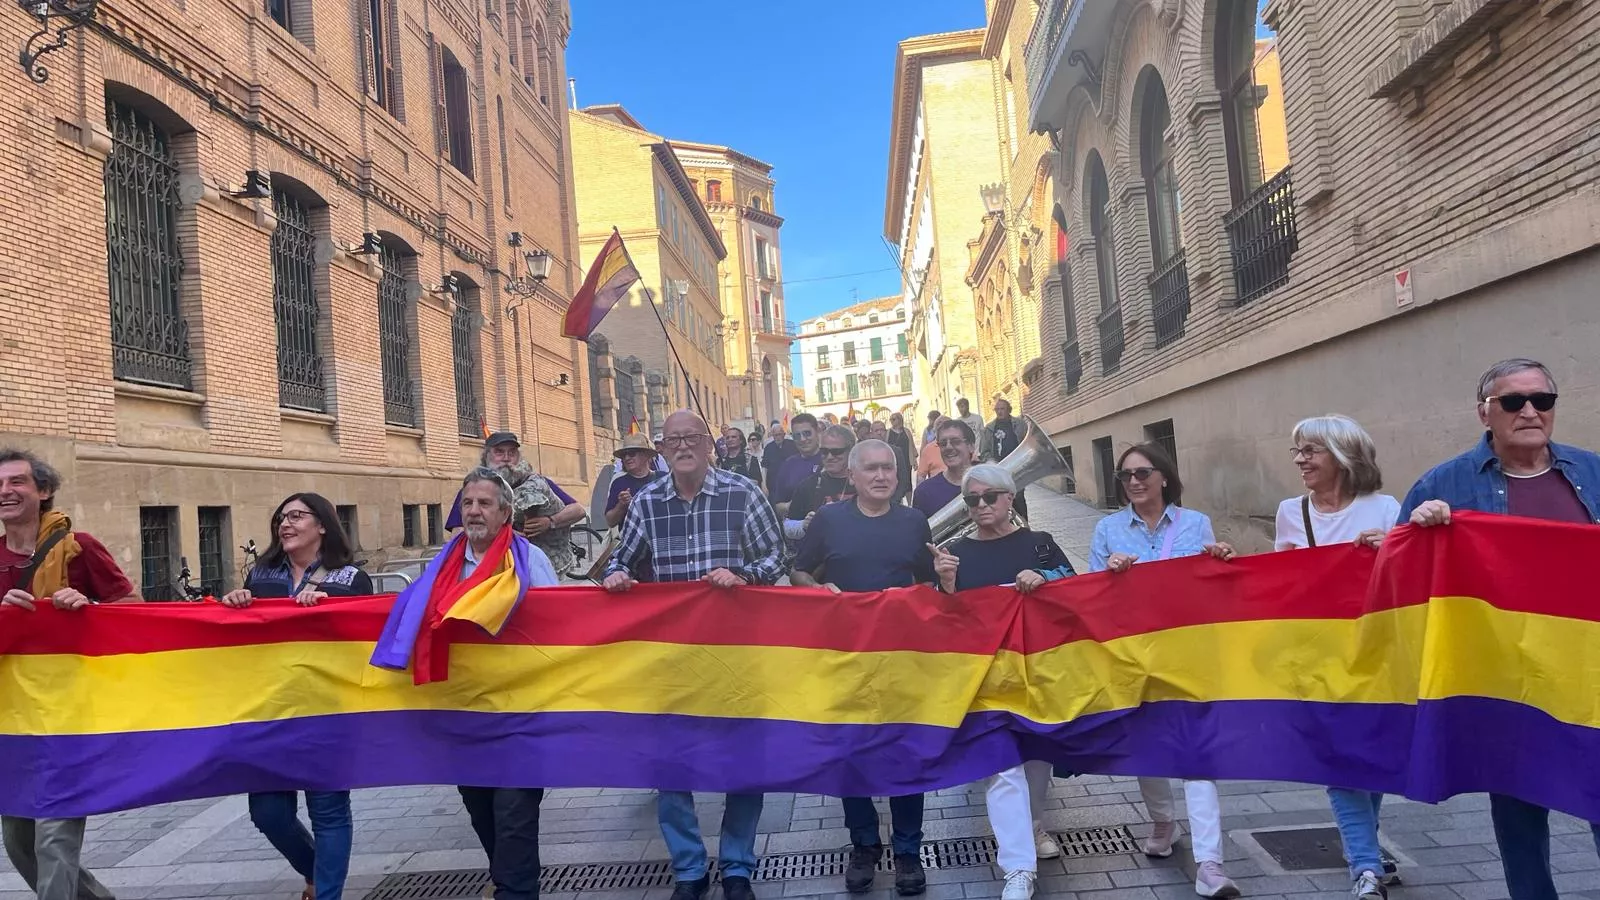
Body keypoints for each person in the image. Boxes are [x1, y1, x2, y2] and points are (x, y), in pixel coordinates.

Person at [1400, 358, 1600, 900]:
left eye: (1543, 400)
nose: (1530, 411)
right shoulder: (1445, 483)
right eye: (1513, 402)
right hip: (1507, 684)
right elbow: (1400, 579)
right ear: (1485, 412)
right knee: (1519, 817)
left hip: (1589, 676)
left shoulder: (1593, 472)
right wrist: (1421, 532)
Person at [603, 410, 786, 900]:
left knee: (743, 761)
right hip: (674, 660)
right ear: (662, 450)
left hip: (736, 655)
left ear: (710, 445)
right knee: (670, 764)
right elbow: (622, 557)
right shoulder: (646, 502)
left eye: (692, 438)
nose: (682, 447)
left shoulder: (743, 494)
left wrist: (744, 574)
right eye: (673, 440)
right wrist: (617, 575)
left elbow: (777, 556)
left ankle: (736, 866)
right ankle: (688, 869)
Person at [1088, 443, 1239, 899]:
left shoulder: (1195, 524)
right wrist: (1108, 574)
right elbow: (1092, 597)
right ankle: (1163, 821)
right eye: (1125, 475)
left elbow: (1212, 588)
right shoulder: (1107, 528)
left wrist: (1221, 562)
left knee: (1198, 753)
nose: (1134, 482)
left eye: (1143, 473)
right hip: (1135, 655)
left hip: (1189, 652)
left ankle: (1210, 863)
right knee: (1149, 745)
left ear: (1164, 477)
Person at [791, 440, 933, 896]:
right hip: (844, 657)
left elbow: (929, 584)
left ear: (898, 474)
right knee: (851, 753)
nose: (880, 475)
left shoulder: (914, 522)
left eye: (887, 468)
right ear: (851, 476)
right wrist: (815, 588)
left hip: (901, 658)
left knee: (905, 752)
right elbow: (797, 571)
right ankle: (864, 844)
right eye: (870, 468)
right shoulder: (829, 520)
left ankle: (908, 849)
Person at [930, 464, 1074, 900]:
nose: (981, 506)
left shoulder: (1040, 545)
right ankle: (1018, 867)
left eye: (989, 497)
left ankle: (1032, 825)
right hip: (986, 674)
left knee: (1034, 758)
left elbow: (1075, 589)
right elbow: (943, 621)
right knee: (1000, 764)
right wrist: (947, 586)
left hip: (1036, 669)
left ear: (1010, 498)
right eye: (972, 500)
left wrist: (1044, 578)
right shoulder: (955, 552)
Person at [1271, 416, 1399, 900]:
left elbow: (1413, 578)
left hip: (1377, 655)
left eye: (1311, 450)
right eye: (1297, 450)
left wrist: (1390, 551)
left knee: (1372, 757)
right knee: (1338, 761)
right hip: (1319, 659)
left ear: (1344, 456)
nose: (1300, 459)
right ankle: (1366, 866)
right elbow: (1281, 580)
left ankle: (1360, 844)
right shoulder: (1290, 512)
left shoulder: (1385, 509)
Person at [219, 493, 371, 900]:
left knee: (329, 811)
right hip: (272, 711)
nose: (285, 524)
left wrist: (324, 610)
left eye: (297, 516)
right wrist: (238, 604)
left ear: (322, 525)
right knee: (268, 814)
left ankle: (326, 893)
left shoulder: (350, 578)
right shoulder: (262, 576)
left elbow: (361, 641)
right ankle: (314, 869)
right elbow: (248, 638)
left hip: (328, 711)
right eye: (281, 518)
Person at [0, 449, 135, 900]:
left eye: (17, 482)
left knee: (54, 837)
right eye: (0, 484)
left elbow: (134, 616)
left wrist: (88, 610)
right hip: (12, 721)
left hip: (68, 715)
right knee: (19, 842)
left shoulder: (81, 547)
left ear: (43, 491)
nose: (6, 491)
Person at [448, 432, 587, 575]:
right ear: (486, 457)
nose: (506, 458)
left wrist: (550, 521)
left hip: (534, 566)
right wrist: (505, 534)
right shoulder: (472, 490)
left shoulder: (536, 482)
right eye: (499, 452)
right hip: (490, 569)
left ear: (519, 457)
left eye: (512, 453)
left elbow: (578, 510)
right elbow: (457, 535)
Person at [783, 426, 855, 541]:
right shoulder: (807, 485)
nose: (830, 457)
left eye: (836, 452)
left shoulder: (864, 482)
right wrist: (804, 525)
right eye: (824, 452)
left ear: (851, 451)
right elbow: (788, 527)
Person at [912, 419, 977, 519]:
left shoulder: (990, 483)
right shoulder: (924, 492)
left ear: (971, 446)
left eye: (955, 441)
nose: (948, 447)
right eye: (943, 443)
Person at [606, 434, 663, 530]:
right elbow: (610, 522)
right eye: (624, 455)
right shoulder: (619, 483)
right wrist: (621, 505)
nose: (627, 458)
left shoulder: (663, 478)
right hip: (632, 542)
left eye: (632, 453)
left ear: (645, 455)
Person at [772, 413, 823, 516]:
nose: (803, 439)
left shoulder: (830, 459)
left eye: (807, 433)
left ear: (817, 432)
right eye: (797, 435)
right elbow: (777, 506)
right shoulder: (788, 465)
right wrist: (790, 506)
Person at [986, 399, 1028, 520]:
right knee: (1003, 500)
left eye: (1002, 409)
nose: (999, 412)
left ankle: (1024, 526)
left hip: (1017, 469)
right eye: (997, 409)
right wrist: (992, 464)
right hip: (999, 471)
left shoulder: (1020, 424)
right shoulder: (989, 428)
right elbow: (984, 452)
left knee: (1019, 498)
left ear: (1008, 409)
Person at [886, 413, 915, 504]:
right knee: (896, 481)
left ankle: (910, 503)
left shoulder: (906, 431)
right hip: (894, 460)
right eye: (891, 419)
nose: (892, 421)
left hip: (906, 459)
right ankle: (899, 502)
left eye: (894, 419)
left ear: (900, 419)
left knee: (908, 482)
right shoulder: (888, 432)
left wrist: (914, 460)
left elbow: (911, 445)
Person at [762, 424, 798, 494]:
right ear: (772, 435)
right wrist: (764, 484)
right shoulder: (768, 448)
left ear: (784, 434)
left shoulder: (793, 445)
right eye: (775, 435)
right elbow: (764, 467)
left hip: (791, 485)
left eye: (779, 434)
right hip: (773, 485)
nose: (778, 437)